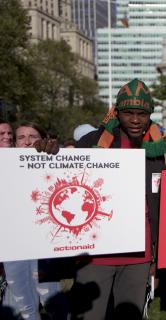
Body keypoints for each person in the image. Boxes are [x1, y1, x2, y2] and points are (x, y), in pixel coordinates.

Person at [71, 78, 166, 320]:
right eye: (128, 113)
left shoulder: (155, 149)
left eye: (142, 114)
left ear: (150, 115)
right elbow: (62, 175)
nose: (135, 120)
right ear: (117, 112)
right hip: (95, 252)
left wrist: (157, 251)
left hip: (138, 254)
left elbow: (159, 200)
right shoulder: (91, 144)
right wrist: (45, 151)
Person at [3, 121, 66, 320]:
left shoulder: (52, 159)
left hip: (44, 245)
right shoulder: (5, 166)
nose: (27, 141)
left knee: (52, 301)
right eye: (21, 137)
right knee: (25, 306)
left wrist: (56, 152)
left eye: (33, 136)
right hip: (13, 246)